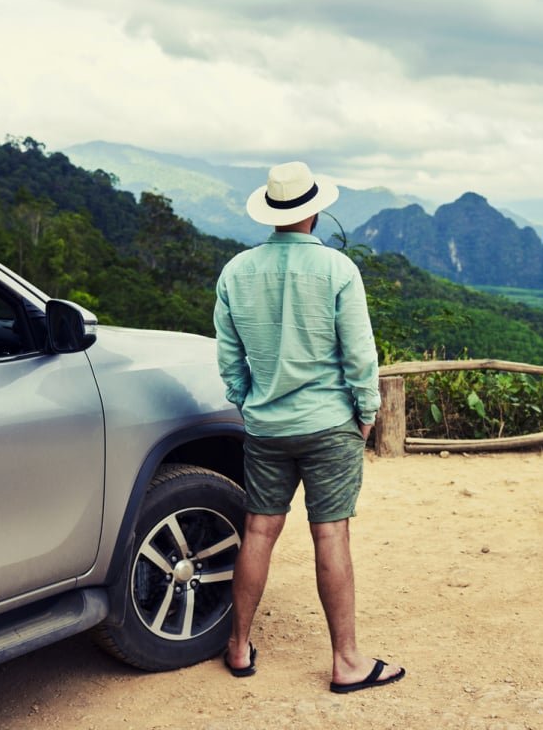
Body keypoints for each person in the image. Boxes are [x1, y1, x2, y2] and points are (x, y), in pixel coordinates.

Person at [214, 161, 405, 693]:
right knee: (331, 534)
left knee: (258, 532)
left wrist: (249, 401)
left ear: (272, 213)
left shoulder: (236, 272)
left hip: (266, 427)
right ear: (314, 210)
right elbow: (359, 355)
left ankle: (236, 648)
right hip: (328, 424)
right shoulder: (339, 271)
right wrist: (365, 413)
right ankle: (346, 662)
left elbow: (229, 359)